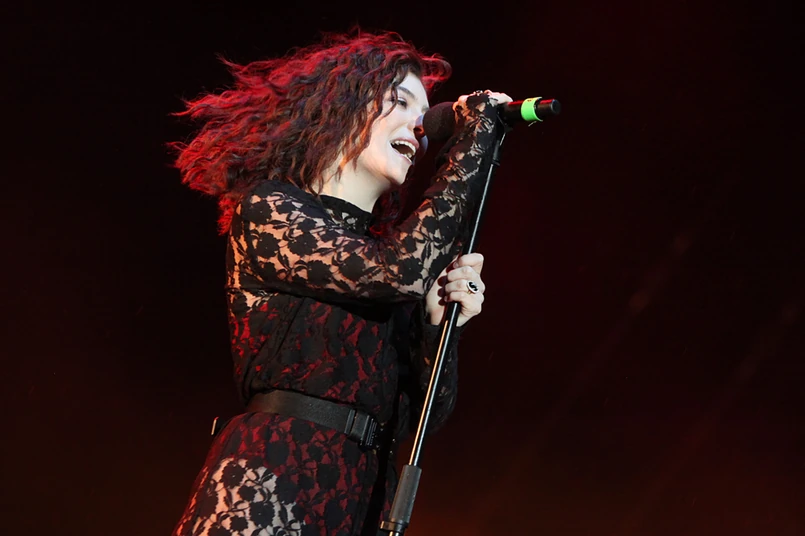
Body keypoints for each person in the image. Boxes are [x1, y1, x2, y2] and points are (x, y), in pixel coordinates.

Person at [171, 30, 510, 536]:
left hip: (360, 499)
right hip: (272, 478)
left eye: (425, 116)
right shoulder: (271, 209)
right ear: (341, 109)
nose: (421, 127)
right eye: (400, 101)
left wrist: (440, 328)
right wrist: (473, 141)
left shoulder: (386, 259)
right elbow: (398, 271)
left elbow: (424, 417)